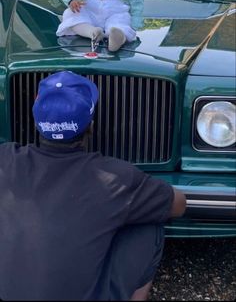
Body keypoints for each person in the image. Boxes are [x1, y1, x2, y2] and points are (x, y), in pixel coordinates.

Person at [0, 70, 186, 301]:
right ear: (91, 124)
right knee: (150, 226)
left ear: (37, 121)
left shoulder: (5, 158)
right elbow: (178, 205)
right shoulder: (114, 179)